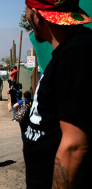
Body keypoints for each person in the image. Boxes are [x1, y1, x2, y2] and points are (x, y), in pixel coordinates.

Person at [24, 1, 92, 188]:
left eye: (27, 12)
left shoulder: (75, 55)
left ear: (37, 16)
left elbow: (75, 147)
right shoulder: (68, 52)